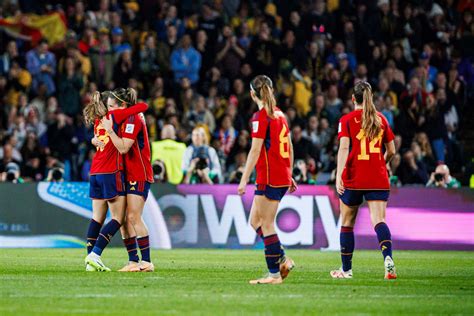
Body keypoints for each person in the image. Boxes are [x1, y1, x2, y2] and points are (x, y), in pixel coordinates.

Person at [332, 81, 397, 280]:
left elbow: (344, 148)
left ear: (353, 99)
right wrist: (382, 163)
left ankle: (346, 270)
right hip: (377, 177)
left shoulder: (347, 119)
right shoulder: (381, 119)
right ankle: (388, 260)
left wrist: (339, 174)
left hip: (354, 177)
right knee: (379, 220)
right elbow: (392, 151)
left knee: (347, 222)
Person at [237, 75, 297, 285]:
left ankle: (274, 274)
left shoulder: (261, 117)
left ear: (253, 94)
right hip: (281, 175)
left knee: (266, 224)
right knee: (254, 221)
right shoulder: (280, 115)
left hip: (270, 176)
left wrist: (243, 179)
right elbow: (289, 145)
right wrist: (290, 174)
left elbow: (254, 151)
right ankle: (282, 258)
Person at [82, 89, 147, 272]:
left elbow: (96, 139)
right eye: (110, 104)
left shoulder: (97, 120)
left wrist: (94, 141)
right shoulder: (115, 116)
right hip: (110, 171)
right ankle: (95, 254)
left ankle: (89, 262)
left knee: (97, 218)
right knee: (118, 218)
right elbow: (142, 106)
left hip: (94, 171)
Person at [101, 88, 155, 272]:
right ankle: (133, 261)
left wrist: (110, 132)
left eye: (111, 107)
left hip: (138, 173)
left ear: (123, 106)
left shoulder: (134, 118)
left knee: (133, 216)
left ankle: (147, 261)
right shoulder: (122, 118)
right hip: (123, 174)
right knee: (123, 219)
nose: (108, 111)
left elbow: (124, 147)